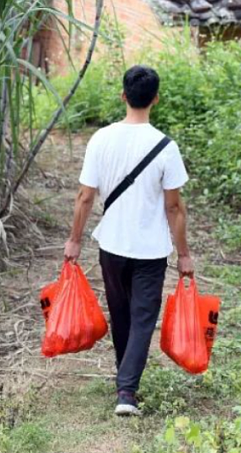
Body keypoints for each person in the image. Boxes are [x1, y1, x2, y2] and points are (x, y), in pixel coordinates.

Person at [64, 65, 193, 417]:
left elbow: (84, 197)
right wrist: (184, 255)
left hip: (112, 247)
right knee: (141, 317)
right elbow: (174, 207)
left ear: (124, 96)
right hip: (150, 250)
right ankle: (127, 390)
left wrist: (74, 240)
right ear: (155, 99)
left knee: (123, 314)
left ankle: (125, 382)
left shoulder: (101, 139)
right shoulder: (166, 147)